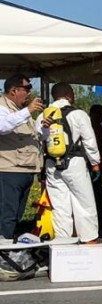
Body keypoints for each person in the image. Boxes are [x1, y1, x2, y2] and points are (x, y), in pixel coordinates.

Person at [38, 83, 101, 243]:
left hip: (52, 164)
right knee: (84, 202)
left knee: (60, 206)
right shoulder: (78, 114)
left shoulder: (42, 116)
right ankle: (89, 240)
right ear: (69, 94)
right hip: (75, 162)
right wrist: (95, 162)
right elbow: (89, 140)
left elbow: (39, 141)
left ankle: (62, 242)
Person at [0, 75, 45, 239]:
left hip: (27, 169)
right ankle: (2, 251)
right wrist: (28, 111)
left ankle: (9, 247)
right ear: (13, 91)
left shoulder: (21, 111)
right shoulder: (3, 107)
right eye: (26, 89)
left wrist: (44, 128)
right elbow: (3, 126)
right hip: (9, 171)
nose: (29, 93)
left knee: (16, 214)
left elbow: (36, 136)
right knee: (7, 214)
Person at [89, 104, 102, 232]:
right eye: (97, 113)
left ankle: (98, 223)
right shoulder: (88, 127)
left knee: (97, 194)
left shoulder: (101, 128)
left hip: (99, 165)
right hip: (89, 165)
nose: (100, 116)